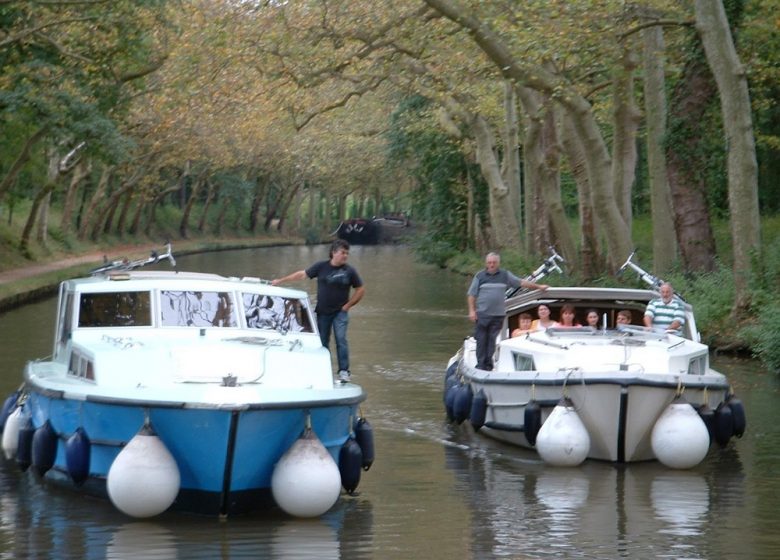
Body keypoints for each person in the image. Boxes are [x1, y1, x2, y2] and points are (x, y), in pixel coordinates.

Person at [272, 239, 365, 382]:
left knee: (341, 339)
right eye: (342, 253)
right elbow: (302, 275)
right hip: (323, 312)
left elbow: (360, 289)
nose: (345, 256)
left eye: (347, 253)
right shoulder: (321, 267)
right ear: (334, 253)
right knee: (322, 342)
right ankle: (325, 370)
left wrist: (348, 306)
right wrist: (281, 281)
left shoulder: (349, 271)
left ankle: (344, 371)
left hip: (340, 312)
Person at [467, 252, 548, 371]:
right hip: (482, 314)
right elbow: (471, 295)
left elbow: (521, 282)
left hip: (498, 315)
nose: (492, 265)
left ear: (498, 263)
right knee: (481, 340)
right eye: (489, 262)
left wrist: (539, 287)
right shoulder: (480, 276)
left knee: (491, 341)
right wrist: (472, 311)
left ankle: (488, 365)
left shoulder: (505, 275)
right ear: (486, 263)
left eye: (494, 262)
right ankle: (480, 365)